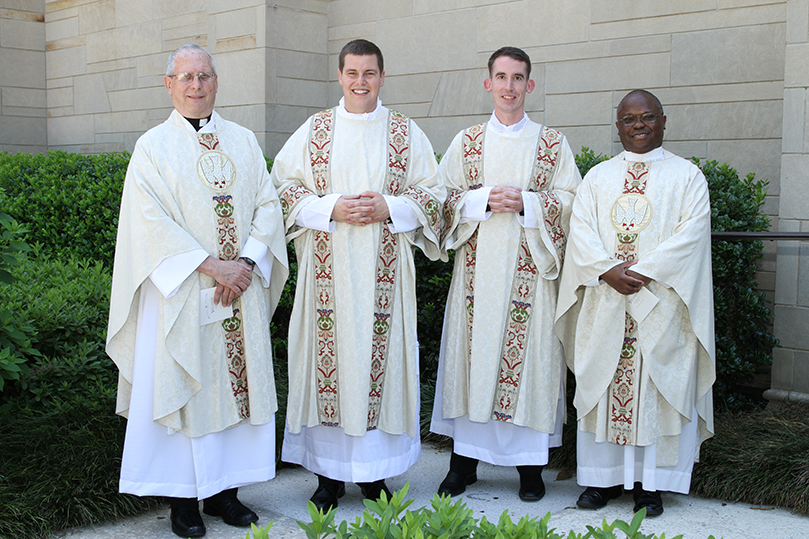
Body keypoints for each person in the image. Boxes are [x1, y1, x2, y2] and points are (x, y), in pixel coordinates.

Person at [106, 44, 289, 538]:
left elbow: (269, 206)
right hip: (183, 294)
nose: (196, 85)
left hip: (239, 291)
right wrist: (211, 266)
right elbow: (148, 224)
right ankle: (184, 503)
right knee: (188, 389)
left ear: (216, 81)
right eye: (185, 77)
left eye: (204, 75)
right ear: (169, 84)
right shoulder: (153, 148)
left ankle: (227, 495)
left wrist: (246, 264)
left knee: (236, 390)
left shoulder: (245, 140)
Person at [270, 39, 445, 512]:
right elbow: (281, 192)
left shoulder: (406, 133)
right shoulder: (316, 131)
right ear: (340, 76)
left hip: (384, 276)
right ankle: (327, 477)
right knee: (328, 365)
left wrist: (392, 206)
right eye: (352, 73)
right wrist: (331, 207)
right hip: (326, 274)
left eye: (369, 73)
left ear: (382, 77)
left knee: (379, 368)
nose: (360, 82)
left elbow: (436, 196)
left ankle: (373, 477)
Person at [430, 46, 580, 502]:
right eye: (501, 77)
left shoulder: (552, 144)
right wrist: (481, 201)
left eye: (518, 78)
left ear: (529, 85)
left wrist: (530, 204)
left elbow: (573, 202)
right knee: (470, 365)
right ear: (488, 83)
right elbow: (438, 200)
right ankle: (463, 464)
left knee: (530, 365)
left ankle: (530, 469)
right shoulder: (467, 142)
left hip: (530, 280)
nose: (509, 87)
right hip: (475, 279)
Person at [555, 89, 715, 516]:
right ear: (618, 126)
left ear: (664, 121)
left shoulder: (687, 177)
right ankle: (600, 482)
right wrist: (607, 269)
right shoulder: (598, 177)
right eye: (629, 119)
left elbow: (692, 235)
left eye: (647, 117)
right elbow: (581, 232)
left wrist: (645, 270)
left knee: (656, 388)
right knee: (603, 385)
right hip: (605, 304)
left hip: (662, 307)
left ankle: (651, 485)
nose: (638, 125)